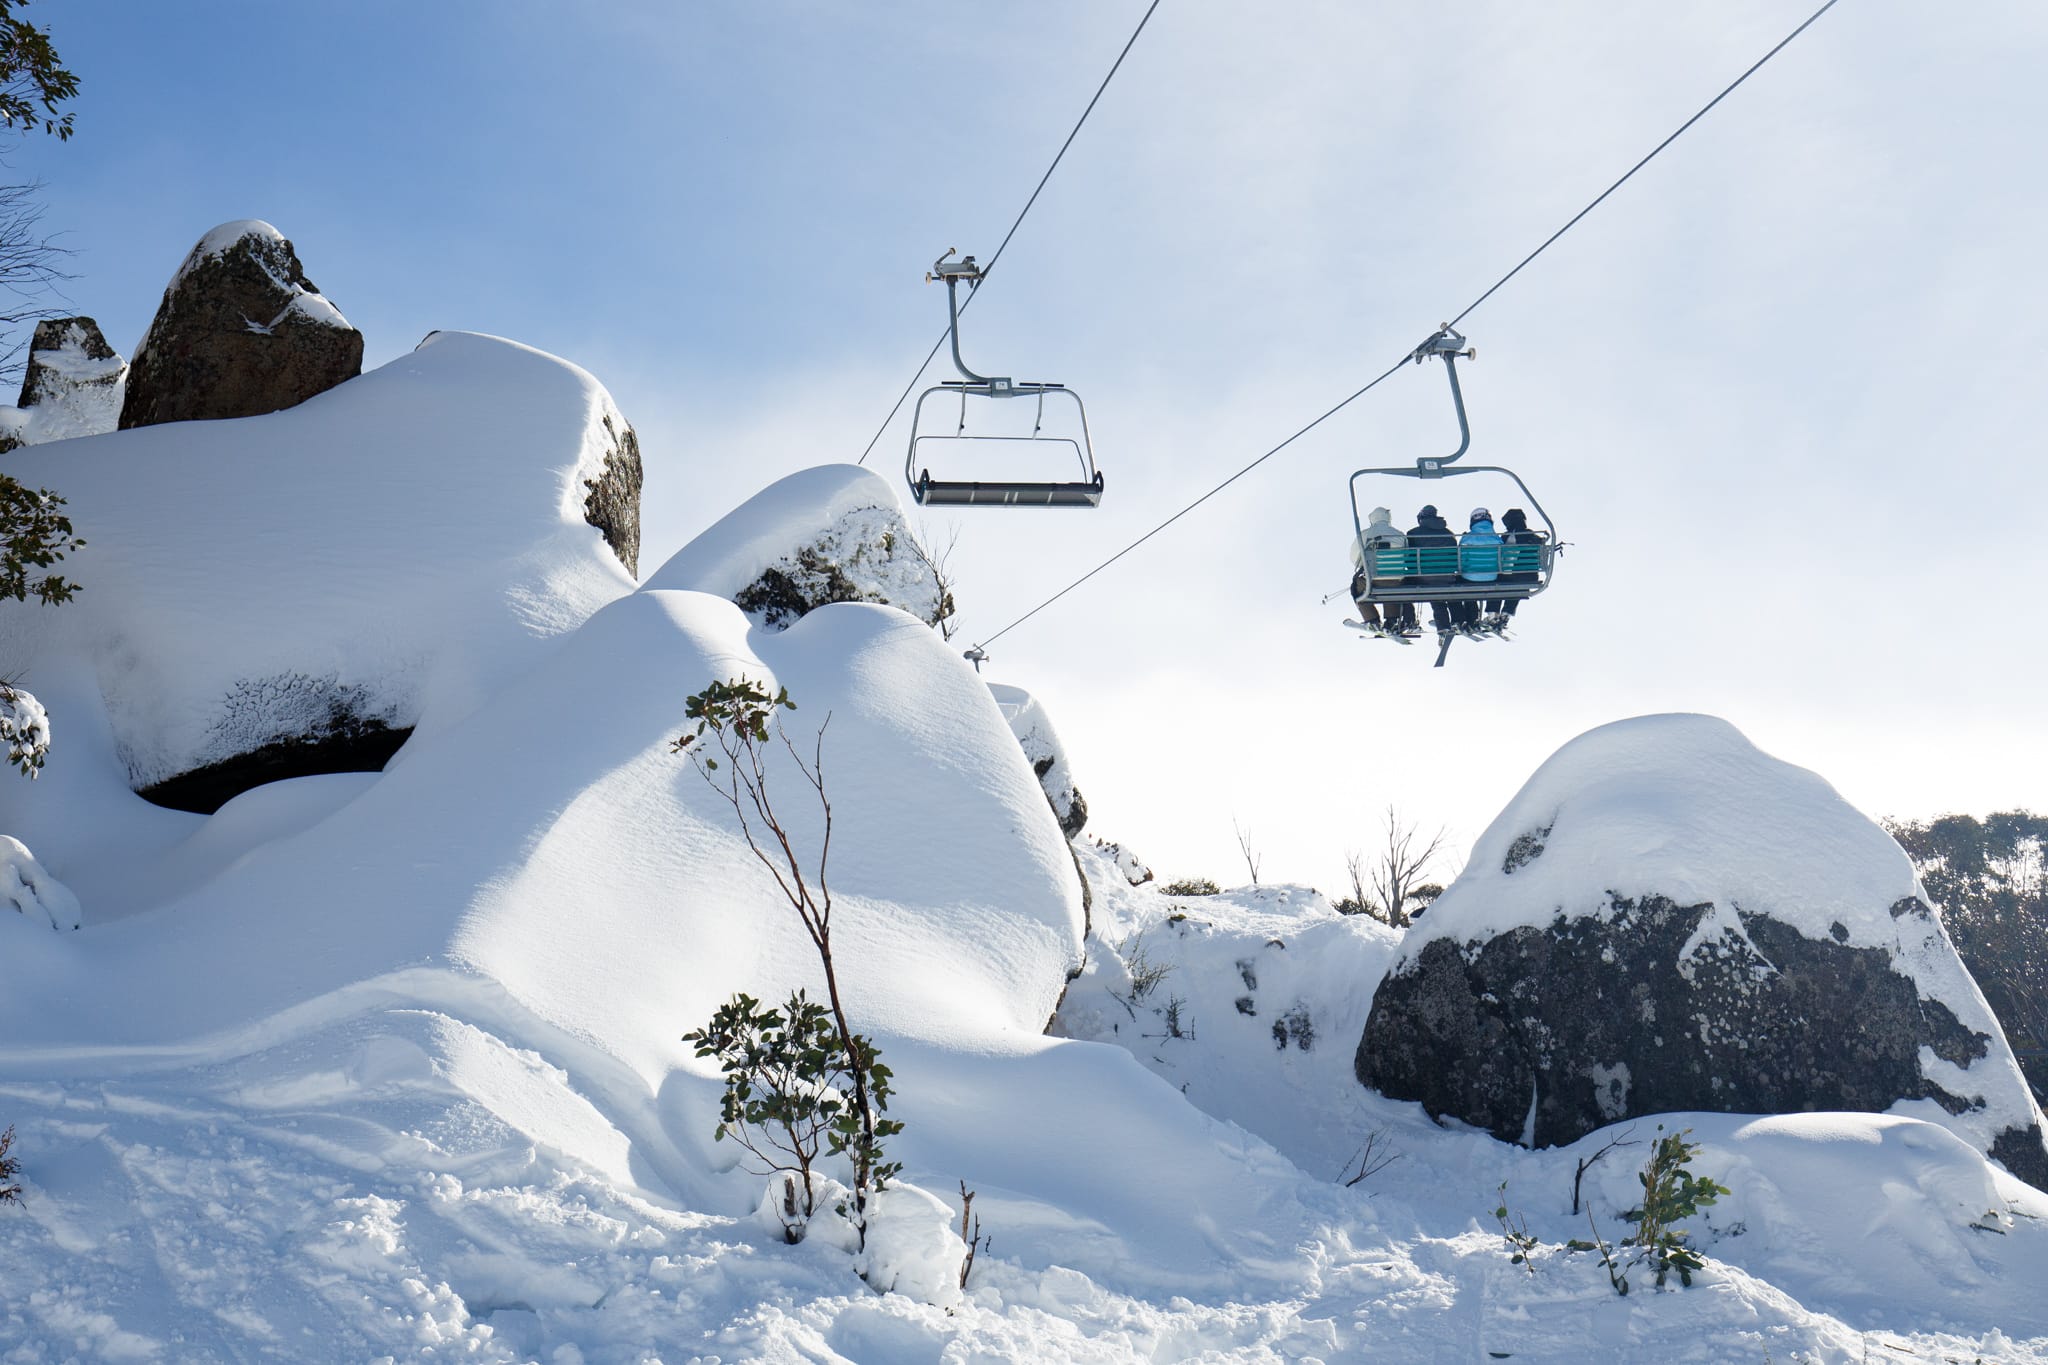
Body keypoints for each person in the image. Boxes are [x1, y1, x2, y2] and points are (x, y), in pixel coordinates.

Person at [1350, 506, 1415, 636]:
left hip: (1373, 581)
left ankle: (1372, 620)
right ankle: (1391, 620)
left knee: (1356, 588)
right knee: (1390, 586)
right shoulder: (1399, 534)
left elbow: (1354, 556)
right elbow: (1407, 555)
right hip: (1396, 580)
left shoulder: (1365, 534)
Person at [1406, 504, 1458, 635]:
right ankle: (1454, 621)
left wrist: (1413, 572)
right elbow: (1455, 557)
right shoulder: (1449, 534)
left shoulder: (1412, 534)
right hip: (1447, 577)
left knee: (1407, 585)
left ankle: (1409, 620)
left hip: (1424, 578)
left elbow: (1409, 558)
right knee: (1443, 588)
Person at [1487, 507, 1544, 625]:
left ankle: (1493, 614)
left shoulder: (1507, 536)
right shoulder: (1531, 535)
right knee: (1518, 586)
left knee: (1497, 583)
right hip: (1529, 577)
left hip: (1509, 575)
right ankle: (1506, 613)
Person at [1456, 508, 1502, 631]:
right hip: (1491, 577)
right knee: (1499, 583)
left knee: (1467, 588)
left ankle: (1472, 619)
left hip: (1470, 578)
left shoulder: (1467, 539)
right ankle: (1493, 614)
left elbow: (1461, 559)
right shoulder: (1497, 539)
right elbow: (1502, 559)